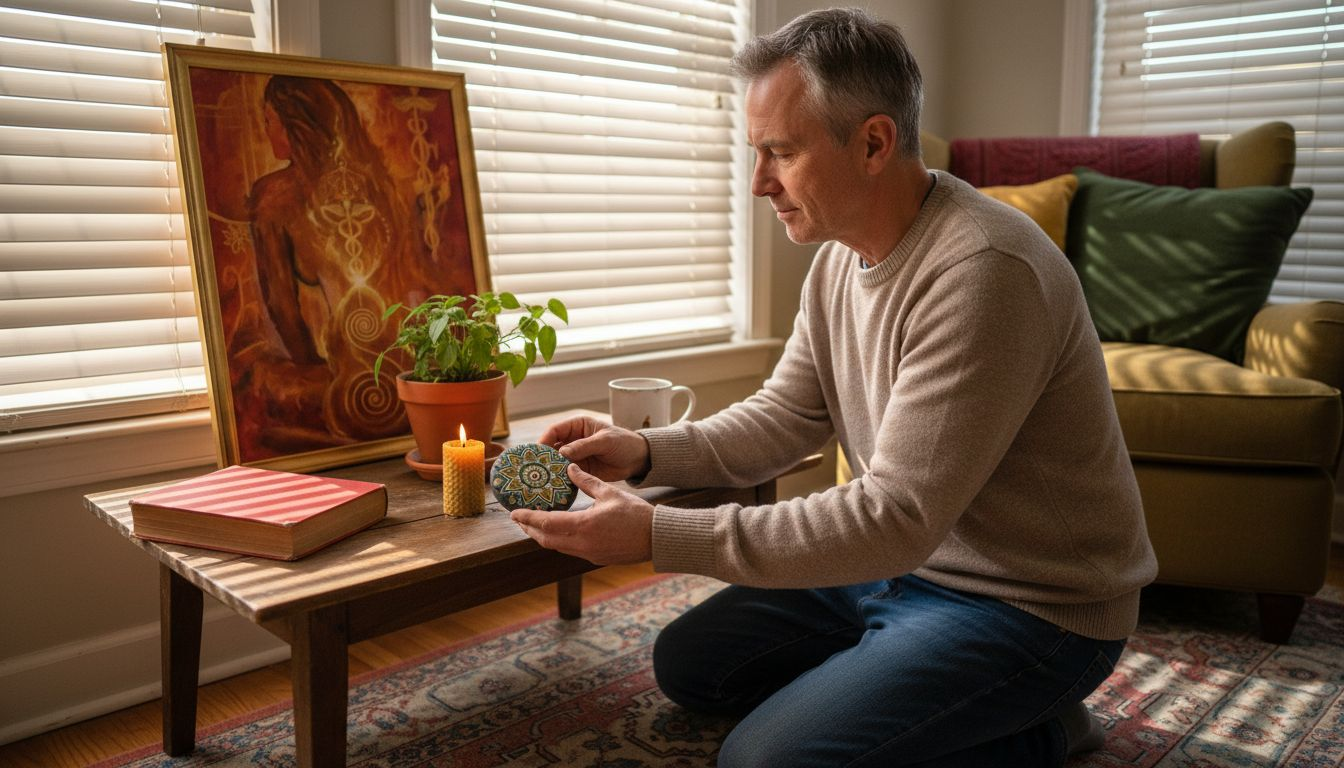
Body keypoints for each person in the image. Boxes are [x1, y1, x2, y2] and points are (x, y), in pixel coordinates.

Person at [511, 8, 1157, 766]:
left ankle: (1046, 729)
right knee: (691, 665)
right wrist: (645, 451)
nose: (758, 183)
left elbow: (894, 516)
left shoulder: (984, 272)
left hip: (1031, 608)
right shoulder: (837, 262)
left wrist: (656, 536)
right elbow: (785, 417)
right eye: (756, 154)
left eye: (779, 152)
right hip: (899, 571)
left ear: (874, 142)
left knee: (763, 762)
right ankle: (918, 698)